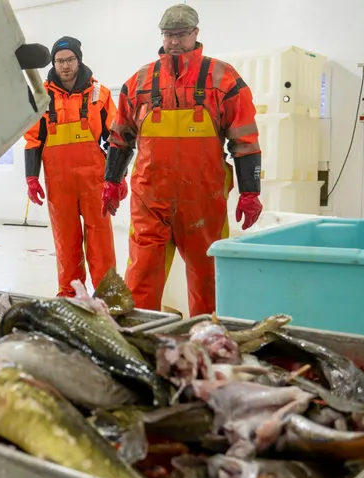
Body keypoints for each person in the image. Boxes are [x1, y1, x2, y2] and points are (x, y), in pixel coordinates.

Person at [101, 4, 264, 317]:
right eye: (168, 35)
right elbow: (120, 135)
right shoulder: (140, 80)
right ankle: (139, 341)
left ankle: (208, 343)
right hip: (150, 200)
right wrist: (111, 180)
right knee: (141, 280)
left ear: (195, 34)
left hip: (204, 202)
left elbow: (245, 138)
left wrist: (250, 191)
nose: (174, 41)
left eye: (181, 34)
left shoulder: (223, 77)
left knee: (208, 283)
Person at [23, 37, 120, 297]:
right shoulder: (41, 96)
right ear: (53, 63)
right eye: (59, 60)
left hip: (94, 181)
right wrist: (32, 178)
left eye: (70, 59)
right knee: (66, 242)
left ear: (79, 60)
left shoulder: (100, 93)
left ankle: (106, 296)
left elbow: (115, 139)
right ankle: (70, 295)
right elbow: (33, 139)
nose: (65, 66)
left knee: (100, 240)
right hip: (60, 183)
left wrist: (116, 179)